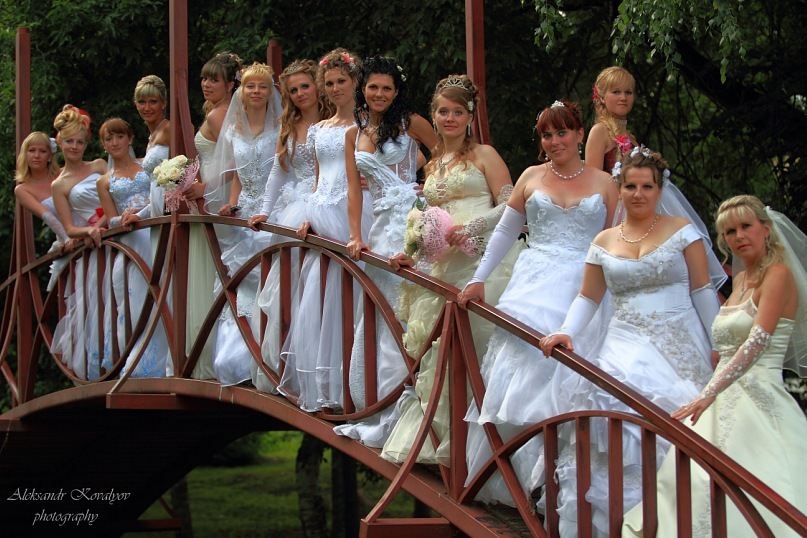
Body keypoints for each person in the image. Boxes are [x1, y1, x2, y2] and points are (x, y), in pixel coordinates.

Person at [538, 148, 718, 535]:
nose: (638, 194)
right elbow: (588, 298)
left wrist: (719, 341)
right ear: (619, 189)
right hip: (622, 341)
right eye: (631, 186)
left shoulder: (682, 230)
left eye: (647, 187)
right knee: (610, 403)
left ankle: (669, 521)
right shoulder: (604, 240)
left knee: (680, 418)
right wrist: (566, 330)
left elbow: (703, 290)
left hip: (678, 341)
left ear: (659, 190)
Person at [457, 99, 617, 506]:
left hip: (583, 285)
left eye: (562, 132)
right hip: (532, 284)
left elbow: (616, 244)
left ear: (579, 134)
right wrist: (478, 279)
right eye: (547, 135)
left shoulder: (605, 183)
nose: (554, 141)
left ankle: (556, 481)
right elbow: (504, 233)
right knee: (522, 369)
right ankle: (515, 476)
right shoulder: (530, 176)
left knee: (569, 374)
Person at [622, 195, 807, 537]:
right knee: (694, 477)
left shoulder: (778, 275)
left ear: (766, 229)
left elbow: (757, 342)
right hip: (719, 394)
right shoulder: (741, 279)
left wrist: (708, 393)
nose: (739, 236)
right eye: (729, 232)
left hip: (757, 395)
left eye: (746, 226)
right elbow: (728, 341)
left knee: (751, 480)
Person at [380, 74, 520, 463]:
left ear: (469, 116)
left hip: (481, 260)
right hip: (441, 268)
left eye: (458, 112)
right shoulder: (433, 164)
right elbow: (426, 218)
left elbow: (511, 203)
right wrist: (412, 252)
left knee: (480, 344)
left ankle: (487, 448)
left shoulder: (485, 155)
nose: (450, 118)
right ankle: (449, 441)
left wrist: (473, 228)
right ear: (434, 116)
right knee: (441, 351)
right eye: (443, 111)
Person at [332, 55, 437, 446]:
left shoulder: (412, 123)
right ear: (363, 88)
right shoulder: (353, 132)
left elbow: (446, 156)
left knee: (409, 310)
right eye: (373, 87)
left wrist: (429, 188)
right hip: (378, 228)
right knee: (381, 311)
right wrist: (355, 235)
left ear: (397, 91)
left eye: (387, 88)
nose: (379, 94)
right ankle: (380, 404)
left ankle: (414, 404)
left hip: (411, 220)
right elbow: (354, 190)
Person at [284, 48, 372, 411]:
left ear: (355, 82)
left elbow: (408, 157)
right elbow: (319, 178)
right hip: (321, 213)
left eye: (342, 81)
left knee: (352, 291)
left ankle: (356, 382)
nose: (336, 88)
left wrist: (374, 179)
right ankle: (328, 385)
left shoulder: (367, 125)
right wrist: (308, 211)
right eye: (330, 83)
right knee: (320, 296)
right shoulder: (319, 128)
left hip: (351, 213)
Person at [247, 59, 331, 392]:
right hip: (296, 207)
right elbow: (279, 170)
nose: (299, 94)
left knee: (321, 284)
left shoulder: (335, 120)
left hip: (329, 202)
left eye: (305, 86)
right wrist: (264, 211)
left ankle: (324, 365)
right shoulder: (289, 124)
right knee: (289, 287)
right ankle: (290, 367)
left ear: (317, 85)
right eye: (293, 90)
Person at [203, 61, 282, 386]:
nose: (257, 91)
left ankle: (270, 356)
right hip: (245, 210)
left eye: (263, 86)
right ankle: (237, 359)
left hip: (273, 210)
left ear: (271, 92)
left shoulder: (280, 125)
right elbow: (237, 176)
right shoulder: (233, 128)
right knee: (241, 280)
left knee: (269, 280)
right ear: (242, 90)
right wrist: (232, 202)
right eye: (251, 86)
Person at [96, 118, 167, 378]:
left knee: (163, 289)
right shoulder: (104, 181)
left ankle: (169, 353)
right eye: (109, 139)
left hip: (154, 230)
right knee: (135, 298)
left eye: (119, 137)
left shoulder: (147, 165)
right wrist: (122, 218)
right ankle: (141, 354)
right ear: (103, 144)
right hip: (131, 238)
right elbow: (111, 219)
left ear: (130, 139)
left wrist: (142, 211)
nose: (115, 143)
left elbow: (161, 195)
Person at [49, 105, 108, 380]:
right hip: (96, 241)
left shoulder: (99, 165)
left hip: (117, 229)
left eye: (80, 142)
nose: (75, 147)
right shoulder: (59, 184)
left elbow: (119, 193)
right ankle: (107, 361)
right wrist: (91, 229)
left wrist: (107, 221)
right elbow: (70, 229)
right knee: (102, 301)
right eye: (70, 141)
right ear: (60, 142)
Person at [14, 131, 67, 249]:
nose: (36, 155)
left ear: (50, 156)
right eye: (32, 150)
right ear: (25, 155)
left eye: (42, 151)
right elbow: (48, 217)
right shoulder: (22, 190)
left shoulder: (64, 173)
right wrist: (68, 238)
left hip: (95, 228)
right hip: (68, 240)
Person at [586, 66, 636, 173]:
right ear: (602, 97)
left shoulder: (631, 138)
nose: (623, 98)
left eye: (628, 92)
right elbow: (593, 179)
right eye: (616, 92)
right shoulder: (599, 131)